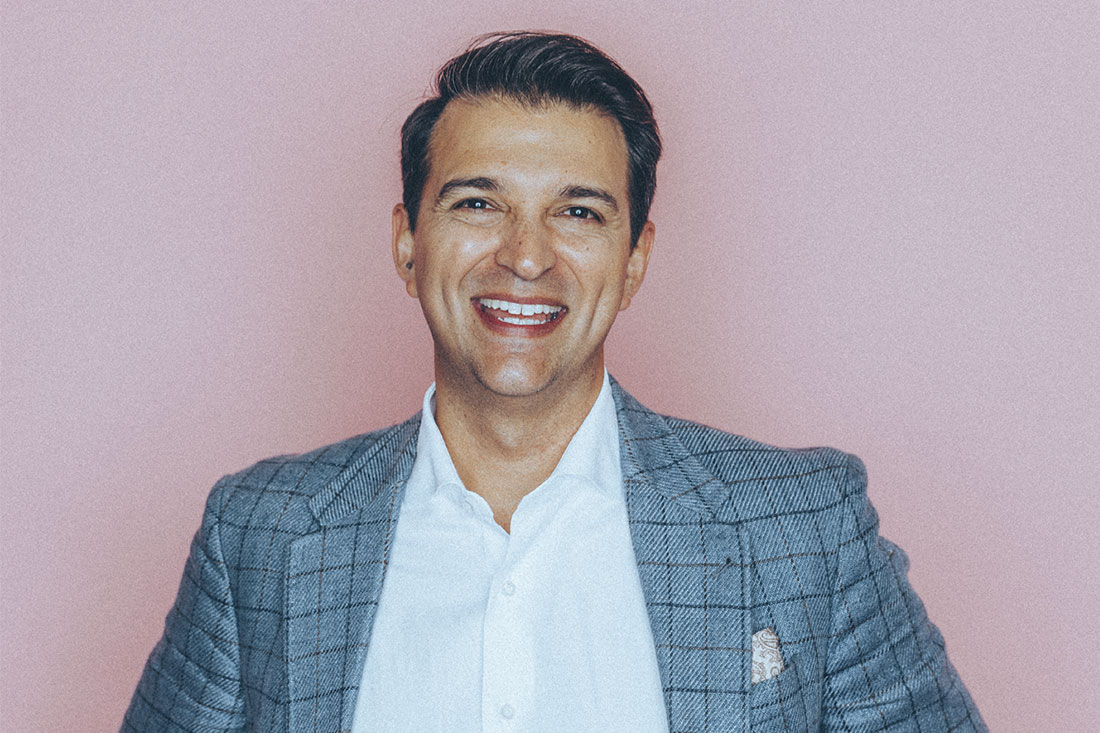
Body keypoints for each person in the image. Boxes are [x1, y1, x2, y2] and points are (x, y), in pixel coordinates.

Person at [123, 32, 985, 732]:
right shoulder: (261, 535)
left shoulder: (803, 528)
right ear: (407, 242)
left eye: (578, 211)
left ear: (634, 258)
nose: (527, 256)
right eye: (478, 203)